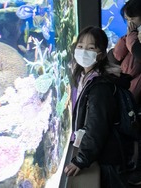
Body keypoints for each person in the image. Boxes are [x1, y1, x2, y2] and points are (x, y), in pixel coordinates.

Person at [63, 26, 133, 188]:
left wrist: (81, 159)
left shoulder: (100, 86)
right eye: (80, 46)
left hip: (108, 155)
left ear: (100, 53)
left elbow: (97, 125)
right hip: (102, 150)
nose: (83, 51)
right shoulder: (84, 76)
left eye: (91, 47)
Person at [108, 0, 141, 185]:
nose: (130, 23)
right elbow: (115, 56)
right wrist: (128, 38)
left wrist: (132, 39)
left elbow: (138, 56)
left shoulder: (135, 39)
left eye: (133, 18)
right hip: (126, 93)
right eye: (127, 19)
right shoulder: (131, 36)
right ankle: (128, 165)